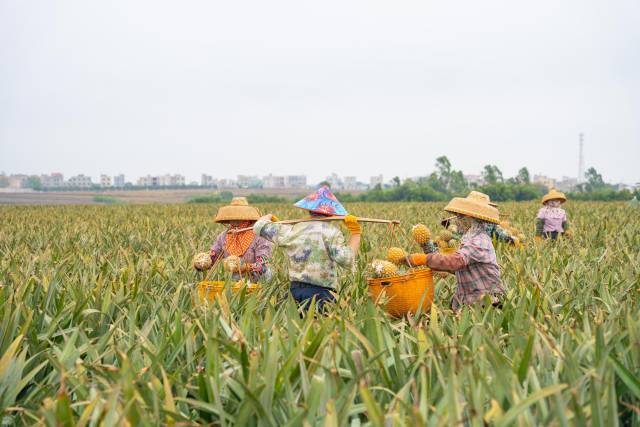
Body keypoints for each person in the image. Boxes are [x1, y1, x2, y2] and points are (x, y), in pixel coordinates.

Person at [253, 186, 361, 311]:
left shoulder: (293, 229)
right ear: (331, 212)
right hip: (321, 294)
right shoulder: (331, 232)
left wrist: (269, 216)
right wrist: (356, 233)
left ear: (310, 209)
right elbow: (347, 259)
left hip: (294, 293)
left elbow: (259, 226)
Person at [407, 193, 505, 311]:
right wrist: (427, 245)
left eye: (460, 216)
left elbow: (456, 261)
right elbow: (457, 268)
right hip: (469, 305)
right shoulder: (470, 239)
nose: (457, 220)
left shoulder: (480, 241)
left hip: (486, 306)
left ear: (472, 218)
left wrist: (423, 259)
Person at [194, 197, 274, 282]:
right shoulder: (224, 236)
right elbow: (213, 257)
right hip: (235, 280)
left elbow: (263, 264)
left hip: (258, 280)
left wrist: (245, 267)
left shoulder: (259, 236)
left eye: (239, 216)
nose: (234, 220)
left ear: (247, 217)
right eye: (232, 216)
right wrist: (203, 262)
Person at [440, 191, 516, 245]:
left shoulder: (488, 224)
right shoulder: (465, 221)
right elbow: (460, 236)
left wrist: (511, 240)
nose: (459, 217)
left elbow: (501, 235)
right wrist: (448, 226)